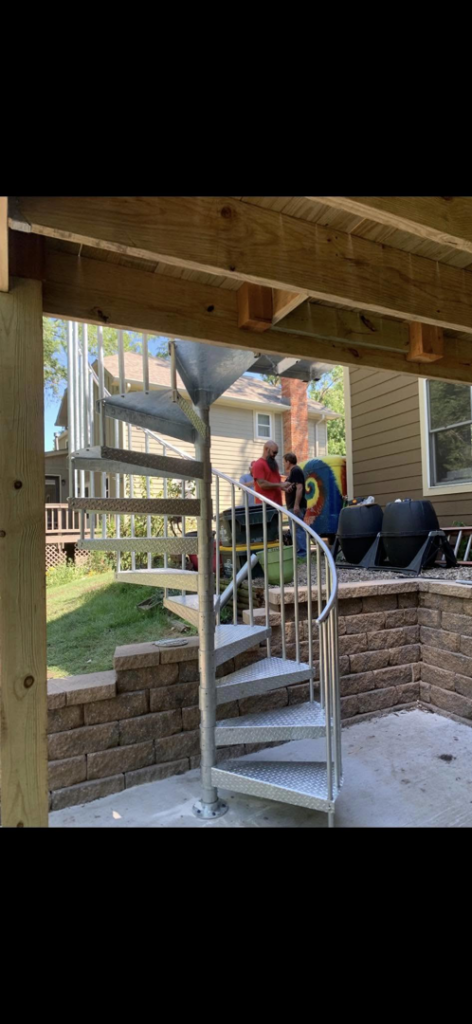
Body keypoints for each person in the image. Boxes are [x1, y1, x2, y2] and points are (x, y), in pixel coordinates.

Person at [252, 441, 291, 506]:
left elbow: (275, 482)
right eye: (274, 452)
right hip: (265, 505)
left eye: (276, 453)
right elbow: (262, 484)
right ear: (266, 449)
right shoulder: (258, 464)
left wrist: (284, 487)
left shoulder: (273, 464)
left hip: (277, 503)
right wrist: (280, 485)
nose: (275, 455)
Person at [283, 452, 307, 558]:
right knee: (294, 529)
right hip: (292, 506)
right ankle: (299, 552)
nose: (284, 464)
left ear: (288, 461)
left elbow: (300, 487)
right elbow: (292, 487)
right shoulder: (292, 473)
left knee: (298, 529)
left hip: (296, 507)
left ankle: (302, 553)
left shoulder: (296, 470)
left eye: (284, 462)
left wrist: (296, 505)